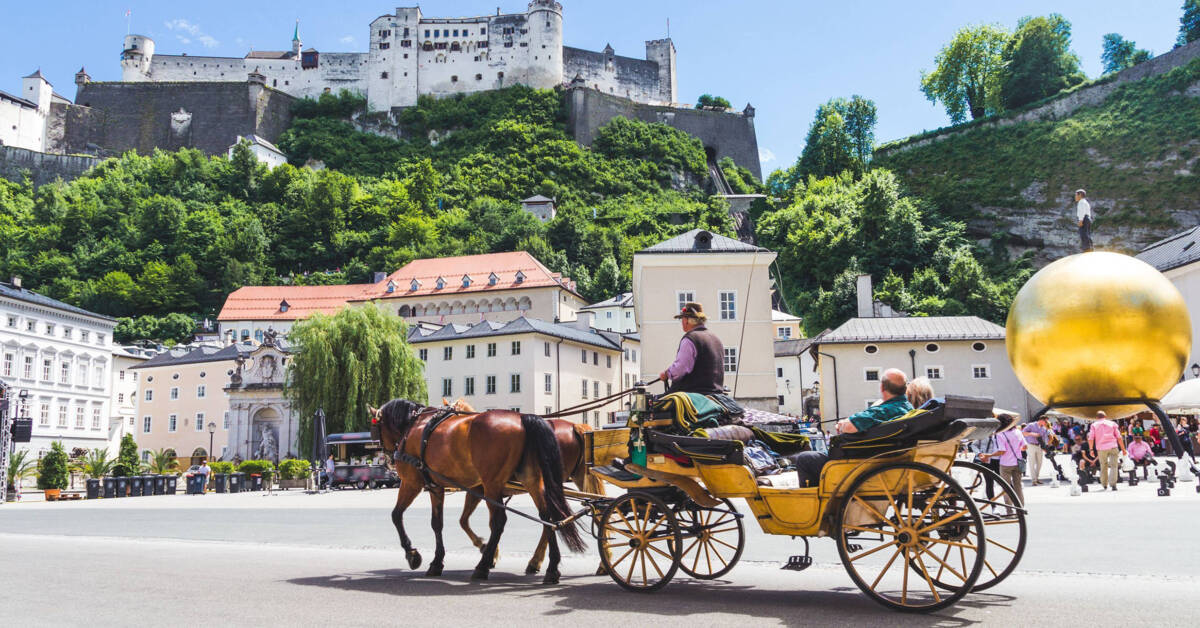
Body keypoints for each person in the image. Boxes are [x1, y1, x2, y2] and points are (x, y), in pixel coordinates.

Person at [789, 369, 913, 487]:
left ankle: (814, 503)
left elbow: (850, 426)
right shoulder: (909, 409)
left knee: (804, 458)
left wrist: (841, 424)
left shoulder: (884, 410)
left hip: (858, 461)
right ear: (905, 389)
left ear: (882, 388)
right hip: (887, 458)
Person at [658, 302, 725, 395]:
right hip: (715, 394)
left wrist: (666, 374)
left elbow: (680, 369)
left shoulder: (690, 339)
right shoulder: (716, 339)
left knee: (652, 404)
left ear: (686, 320)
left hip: (692, 394)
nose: (682, 322)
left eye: (682, 319)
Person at [1088, 411, 1126, 491]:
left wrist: (1091, 449)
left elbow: (1091, 438)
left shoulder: (1094, 425)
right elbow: (1119, 437)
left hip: (1101, 448)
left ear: (1097, 417)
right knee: (1114, 466)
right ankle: (1113, 484)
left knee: (1103, 465)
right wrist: (1123, 449)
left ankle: (1104, 484)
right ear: (1105, 416)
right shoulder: (1112, 424)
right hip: (1113, 446)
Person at [995, 423, 1027, 506]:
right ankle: (1021, 508)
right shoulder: (1018, 431)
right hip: (1017, 462)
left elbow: (1002, 450)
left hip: (1005, 464)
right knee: (1018, 487)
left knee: (1006, 488)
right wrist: (1016, 449)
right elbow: (1025, 447)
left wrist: (990, 455)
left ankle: (1009, 511)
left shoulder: (1000, 434)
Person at [1022, 417, 1052, 485]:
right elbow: (1023, 433)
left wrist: (1045, 448)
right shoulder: (1031, 425)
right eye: (1045, 421)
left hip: (1039, 446)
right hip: (1031, 445)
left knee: (1039, 463)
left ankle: (1037, 478)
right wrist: (1032, 434)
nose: (1046, 423)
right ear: (1041, 420)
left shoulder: (1043, 428)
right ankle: (1034, 480)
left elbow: (1044, 439)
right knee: (1032, 463)